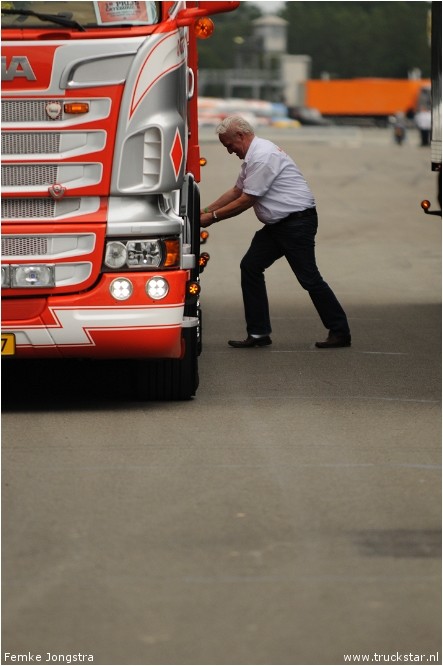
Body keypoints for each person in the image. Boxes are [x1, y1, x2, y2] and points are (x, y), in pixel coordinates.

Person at [200, 115, 351, 349]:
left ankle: (340, 331)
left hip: (296, 224)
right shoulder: (254, 155)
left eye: (229, 145)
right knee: (250, 266)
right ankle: (259, 333)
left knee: (309, 278)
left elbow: (246, 199)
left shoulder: (262, 156)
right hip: (280, 225)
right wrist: (206, 209)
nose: (230, 151)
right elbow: (236, 190)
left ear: (240, 136)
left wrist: (212, 218)